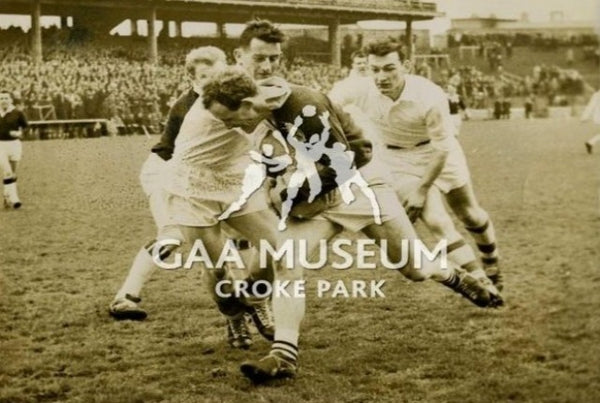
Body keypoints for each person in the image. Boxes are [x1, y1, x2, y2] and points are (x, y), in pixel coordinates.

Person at [108, 47, 272, 348]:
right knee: (173, 238)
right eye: (206, 77)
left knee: (242, 245)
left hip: (219, 177)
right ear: (192, 78)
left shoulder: (232, 96)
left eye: (219, 74)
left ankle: (250, 302)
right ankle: (126, 295)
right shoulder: (193, 107)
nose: (214, 81)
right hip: (169, 172)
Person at [329, 39, 503, 290]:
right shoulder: (359, 88)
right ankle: (482, 281)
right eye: (374, 69)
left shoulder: (429, 95)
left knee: (469, 214)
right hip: (398, 160)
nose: (381, 76)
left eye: (389, 68)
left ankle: (491, 261)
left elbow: (442, 147)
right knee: (436, 220)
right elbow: (325, 104)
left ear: (406, 66)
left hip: (439, 152)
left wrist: (422, 190)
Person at [0, 90, 27, 209]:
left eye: (6, 98)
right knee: (7, 172)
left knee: (13, 174)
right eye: (1, 98)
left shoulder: (17, 113)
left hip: (15, 145)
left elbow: (25, 127)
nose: (3, 101)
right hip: (1, 145)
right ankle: (15, 198)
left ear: (11, 100)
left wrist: (18, 133)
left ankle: (6, 195)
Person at [582, 89, 600, 154]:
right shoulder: (597, 95)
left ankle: (590, 143)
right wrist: (585, 116)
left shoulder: (596, 94)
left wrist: (585, 116)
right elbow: (591, 105)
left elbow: (590, 105)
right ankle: (590, 142)